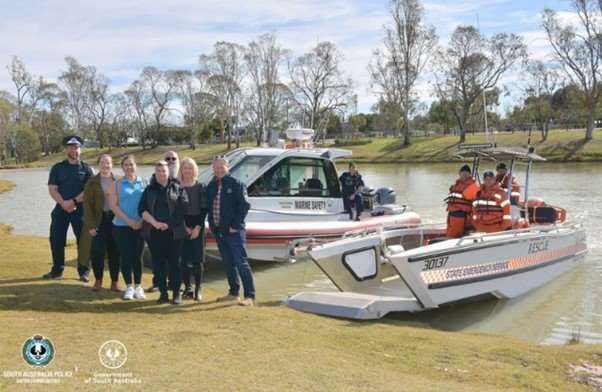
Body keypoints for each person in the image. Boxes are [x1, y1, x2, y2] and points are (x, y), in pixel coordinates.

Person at [44, 135, 94, 281]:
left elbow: (89, 191)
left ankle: (84, 272)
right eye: (71, 147)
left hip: (80, 210)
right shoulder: (57, 168)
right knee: (56, 240)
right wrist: (63, 203)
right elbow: (52, 189)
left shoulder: (87, 169)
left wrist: (72, 201)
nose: (74, 150)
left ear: (81, 149)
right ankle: (57, 270)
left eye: (77, 147)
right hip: (61, 209)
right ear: (66, 149)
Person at [207, 156, 255, 306]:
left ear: (228, 167)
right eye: (216, 167)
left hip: (234, 231)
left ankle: (250, 296)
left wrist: (235, 225)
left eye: (222, 167)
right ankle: (233, 293)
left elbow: (244, 206)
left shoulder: (236, 184)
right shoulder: (211, 185)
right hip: (219, 231)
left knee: (241, 262)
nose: (219, 169)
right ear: (213, 168)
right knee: (228, 263)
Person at [139, 161, 189, 305]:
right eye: (158, 171)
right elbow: (142, 210)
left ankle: (176, 294)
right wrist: (155, 223)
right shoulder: (149, 190)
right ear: (155, 173)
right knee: (159, 264)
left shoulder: (178, 188)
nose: (161, 173)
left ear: (169, 172)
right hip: (155, 233)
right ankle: (163, 293)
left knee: (175, 264)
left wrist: (168, 224)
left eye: (164, 171)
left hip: (174, 233)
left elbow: (182, 208)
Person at [107, 155, 146, 301]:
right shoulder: (116, 184)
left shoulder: (145, 182)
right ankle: (129, 287)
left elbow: (148, 205)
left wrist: (140, 220)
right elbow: (113, 206)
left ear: (136, 166)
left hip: (140, 225)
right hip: (121, 226)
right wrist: (129, 221)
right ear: (122, 167)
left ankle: (138, 287)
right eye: (126, 165)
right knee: (126, 256)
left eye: (131, 164)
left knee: (138, 256)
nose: (129, 167)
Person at [79, 154, 120, 291]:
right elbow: (87, 206)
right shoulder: (92, 182)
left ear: (112, 164)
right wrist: (90, 225)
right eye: (102, 163)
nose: (105, 165)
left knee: (115, 251)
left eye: (108, 163)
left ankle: (114, 282)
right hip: (98, 220)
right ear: (98, 165)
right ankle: (98, 280)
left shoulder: (119, 180)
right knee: (97, 251)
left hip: (115, 220)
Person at [147, 150, 180, 293]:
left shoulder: (181, 177)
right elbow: (147, 204)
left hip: (176, 227)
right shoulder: (153, 181)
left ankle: (176, 285)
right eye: (168, 158)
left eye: (174, 158)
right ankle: (158, 283)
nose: (171, 161)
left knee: (175, 259)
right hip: (156, 227)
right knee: (158, 258)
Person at [178, 158, 208, 301]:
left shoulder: (200, 186)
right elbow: (174, 209)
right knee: (183, 260)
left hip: (198, 224)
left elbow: (204, 209)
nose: (188, 170)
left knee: (198, 260)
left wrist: (197, 227)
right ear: (181, 170)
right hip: (182, 224)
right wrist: (184, 227)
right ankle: (187, 288)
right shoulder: (176, 186)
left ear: (194, 170)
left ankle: (198, 289)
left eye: (190, 168)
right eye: (185, 168)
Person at [445, 164, 479, 238]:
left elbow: (476, 203)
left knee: (453, 236)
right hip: (451, 214)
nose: (464, 174)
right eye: (463, 172)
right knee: (450, 232)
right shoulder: (455, 185)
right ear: (459, 173)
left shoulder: (472, 186)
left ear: (470, 174)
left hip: (462, 215)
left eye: (467, 173)